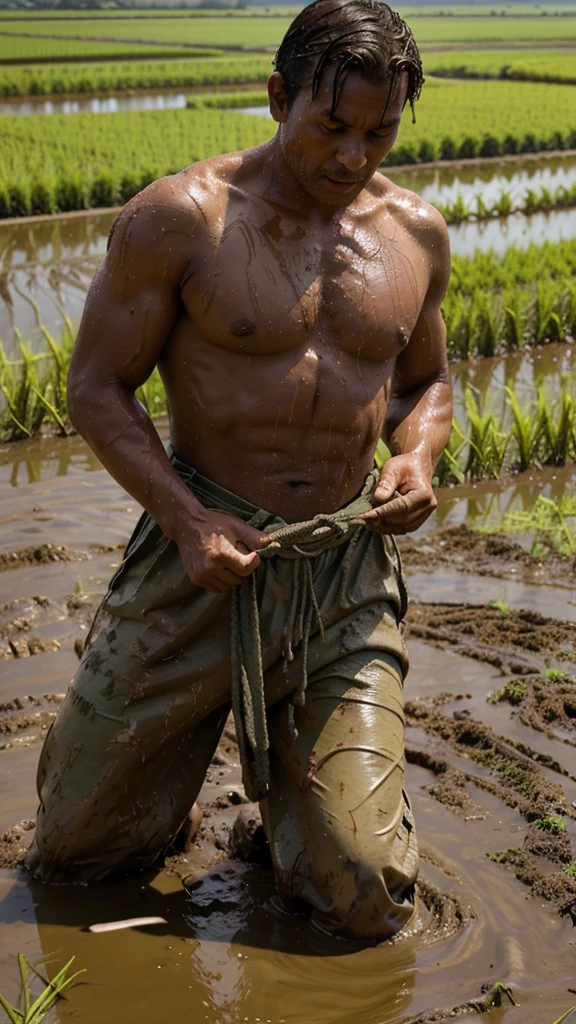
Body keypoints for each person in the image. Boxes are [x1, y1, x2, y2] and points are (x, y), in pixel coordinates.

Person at [26, 0, 453, 943]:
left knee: (367, 891)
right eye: (330, 126)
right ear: (276, 98)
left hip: (339, 567)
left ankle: (301, 819)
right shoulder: (180, 219)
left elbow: (426, 384)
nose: (353, 157)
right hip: (199, 552)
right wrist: (184, 519)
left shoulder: (416, 234)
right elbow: (96, 390)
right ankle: (137, 772)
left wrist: (416, 456)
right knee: (77, 859)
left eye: (379, 132)